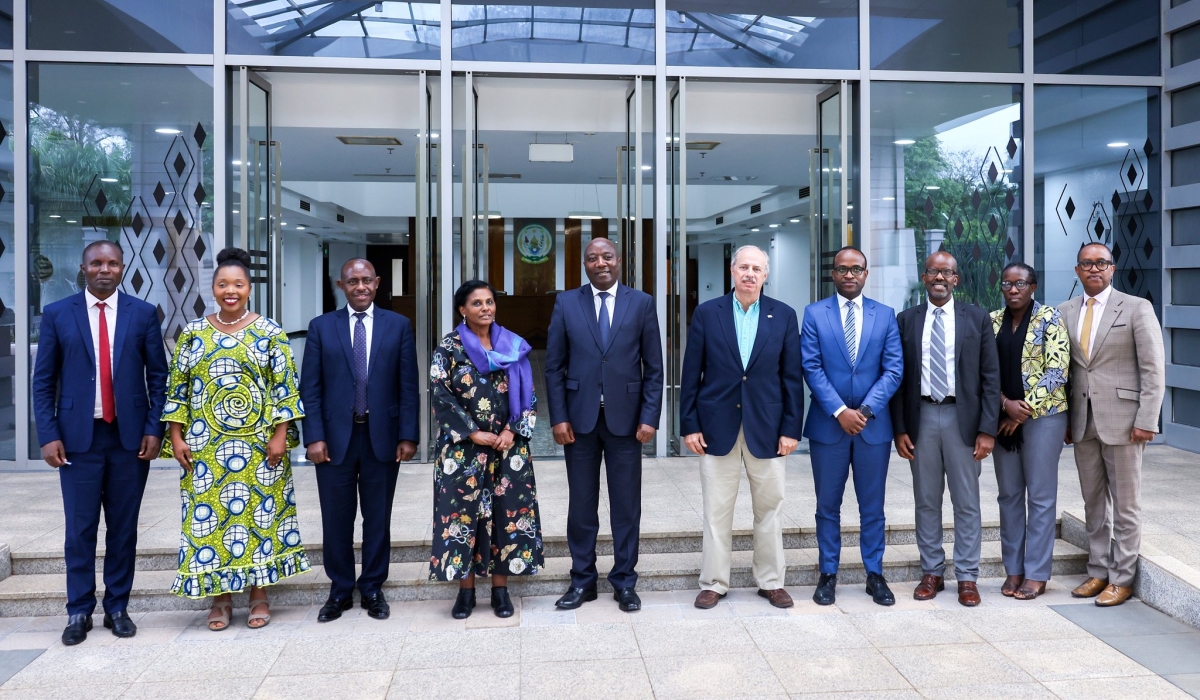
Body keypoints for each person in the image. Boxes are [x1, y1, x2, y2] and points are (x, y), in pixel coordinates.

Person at [162, 247, 309, 631]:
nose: (231, 291)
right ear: (212, 287)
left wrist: (281, 435)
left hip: (260, 447)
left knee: (258, 518)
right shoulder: (193, 333)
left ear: (249, 288)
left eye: (238, 284)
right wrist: (176, 437)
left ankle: (259, 594)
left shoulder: (269, 331)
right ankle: (221, 598)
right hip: (205, 447)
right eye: (223, 284)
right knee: (210, 522)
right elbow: (177, 389)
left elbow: (285, 388)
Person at [32, 240, 168, 645]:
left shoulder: (142, 314)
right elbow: (43, 383)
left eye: (112, 263)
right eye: (96, 263)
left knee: (123, 529)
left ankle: (117, 607)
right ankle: (78, 611)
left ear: (122, 268)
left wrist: (153, 427)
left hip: (129, 440)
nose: (104, 269)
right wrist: (49, 434)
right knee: (80, 529)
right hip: (77, 440)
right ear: (83, 267)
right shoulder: (58, 314)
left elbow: (158, 378)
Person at [680, 245, 804, 610]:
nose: (750, 273)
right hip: (717, 426)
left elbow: (791, 378)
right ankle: (714, 583)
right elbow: (692, 374)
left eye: (757, 268)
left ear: (766, 275)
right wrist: (689, 424)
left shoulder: (783, 315)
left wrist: (791, 429)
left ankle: (771, 581)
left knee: (770, 508)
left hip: (767, 428)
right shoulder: (707, 313)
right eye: (743, 267)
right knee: (717, 511)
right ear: (732, 271)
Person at [545, 238, 663, 613]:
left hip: (627, 423)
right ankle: (582, 581)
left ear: (619, 260)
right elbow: (553, 367)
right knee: (581, 506)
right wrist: (559, 417)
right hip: (578, 423)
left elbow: (655, 368)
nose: (600, 263)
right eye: (592, 258)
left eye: (607, 257)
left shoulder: (641, 303)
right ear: (584, 264)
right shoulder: (567, 302)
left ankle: (625, 582)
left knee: (626, 506)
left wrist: (649, 417)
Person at [300, 259, 419, 623]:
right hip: (334, 440)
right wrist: (314, 436)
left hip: (381, 437)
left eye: (367, 280)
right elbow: (312, 388)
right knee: (336, 517)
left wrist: (408, 435)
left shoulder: (398, 325)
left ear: (378, 282)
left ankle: (371, 587)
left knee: (377, 516)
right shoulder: (322, 327)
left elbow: (408, 385)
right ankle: (339, 590)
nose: (361, 287)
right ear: (342, 284)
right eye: (353, 281)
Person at [890, 251, 999, 607]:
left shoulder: (977, 318)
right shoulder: (906, 319)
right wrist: (900, 428)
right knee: (926, 500)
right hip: (920, 417)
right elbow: (899, 377)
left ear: (956, 279)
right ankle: (932, 572)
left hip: (962, 419)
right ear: (924, 277)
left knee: (966, 502)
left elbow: (990, 377)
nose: (940, 277)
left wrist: (987, 429)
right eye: (933, 271)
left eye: (947, 272)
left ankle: (967, 576)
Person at [429, 280, 544, 619]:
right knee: (461, 517)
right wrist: (471, 432)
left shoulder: (513, 344)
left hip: (509, 450)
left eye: (490, 302)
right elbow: (440, 394)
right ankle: (465, 593)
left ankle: (500, 589)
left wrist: (512, 429)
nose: (486, 308)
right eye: (477, 303)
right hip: (462, 452)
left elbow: (529, 393)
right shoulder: (448, 348)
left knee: (506, 517)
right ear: (462, 310)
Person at [1060, 242, 1165, 607]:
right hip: (1083, 421)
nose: (1094, 269)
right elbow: (1067, 371)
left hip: (1124, 422)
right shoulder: (1065, 311)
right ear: (1077, 270)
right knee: (1092, 502)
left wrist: (1147, 419)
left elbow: (1153, 368)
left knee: (1125, 504)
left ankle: (1122, 578)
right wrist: (1066, 420)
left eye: (1101, 263)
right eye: (1087, 264)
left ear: (1112, 268)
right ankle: (1098, 571)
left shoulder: (1136, 308)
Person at [800, 246, 902, 607]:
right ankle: (828, 573)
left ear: (865, 273)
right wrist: (841, 410)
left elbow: (894, 369)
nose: (849, 274)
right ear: (833, 273)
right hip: (829, 427)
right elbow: (811, 367)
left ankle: (874, 574)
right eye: (842, 269)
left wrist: (867, 410)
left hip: (873, 428)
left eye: (855, 269)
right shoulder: (814, 314)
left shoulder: (885, 315)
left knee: (872, 506)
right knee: (828, 505)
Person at [991, 263, 1070, 601]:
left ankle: (1037, 572)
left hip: (1044, 418)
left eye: (1020, 283)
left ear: (1033, 286)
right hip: (1001, 418)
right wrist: (1004, 403)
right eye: (1007, 283)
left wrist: (1022, 411)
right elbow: (981, 370)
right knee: (1008, 496)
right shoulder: (992, 320)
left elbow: (1058, 371)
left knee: (1039, 497)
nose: (1013, 289)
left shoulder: (1050, 318)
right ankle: (1014, 569)